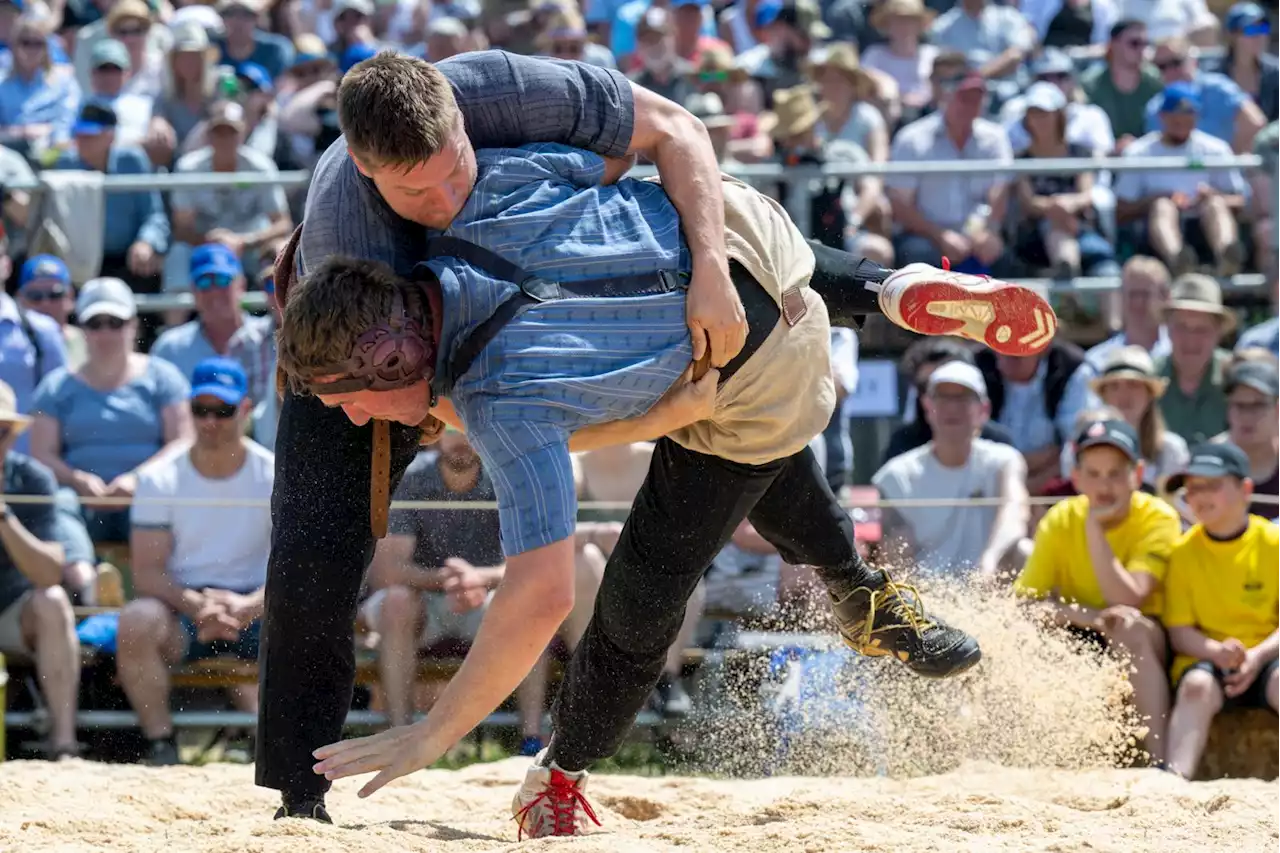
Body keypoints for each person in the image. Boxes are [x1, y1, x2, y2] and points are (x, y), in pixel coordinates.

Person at [287, 54, 1058, 836]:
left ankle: (561, 774)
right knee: (718, 373)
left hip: (753, 376)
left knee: (640, 594)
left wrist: (432, 731)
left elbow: (543, 596)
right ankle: (884, 290)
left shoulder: (499, 406)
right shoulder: (499, 179)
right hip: (752, 233)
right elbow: (642, 148)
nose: (354, 421)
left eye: (351, 401)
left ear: (396, 360)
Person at [1014, 417, 1181, 765]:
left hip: (1147, 635)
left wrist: (1092, 524)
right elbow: (1024, 605)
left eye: (1115, 473)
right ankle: (1052, 762)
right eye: (1093, 473)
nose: (1104, 486)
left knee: (1130, 628)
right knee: (1038, 636)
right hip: (1085, 627)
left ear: (1137, 474)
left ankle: (1158, 767)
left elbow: (1128, 598)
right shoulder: (1059, 519)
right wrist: (1089, 618)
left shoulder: (1159, 517)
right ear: (1075, 478)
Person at [1162, 441, 1280, 779]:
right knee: (1196, 687)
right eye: (1193, 487)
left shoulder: (1273, 542)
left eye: (1212, 485)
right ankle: (1173, 779)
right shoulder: (1183, 552)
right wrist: (1217, 652)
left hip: (1267, 655)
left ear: (1245, 489)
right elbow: (1180, 631)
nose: (1200, 495)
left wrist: (1256, 656)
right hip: (1208, 660)